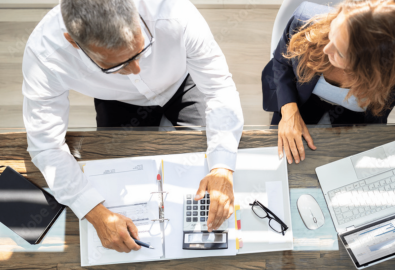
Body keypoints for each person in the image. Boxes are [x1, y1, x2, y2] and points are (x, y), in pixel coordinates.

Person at [22, 0, 243, 253]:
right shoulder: (44, 54)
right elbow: (46, 145)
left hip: (182, 82)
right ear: (74, 43)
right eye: (117, 65)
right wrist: (94, 212)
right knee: (117, 175)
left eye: (142, 50)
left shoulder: (175, 13)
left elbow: (219, 90)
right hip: (117, 100)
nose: (136, 69)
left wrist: (223, 168)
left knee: (204, 169)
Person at [261, 0, 395, 211]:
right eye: (332, 33)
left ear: (373, 69)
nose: (326, 49)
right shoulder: (306, 19)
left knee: (350, 193)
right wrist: (289, 111)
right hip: (299, 99)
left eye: (341, 52)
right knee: (278, 178)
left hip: (358, 123)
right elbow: (281, 62)